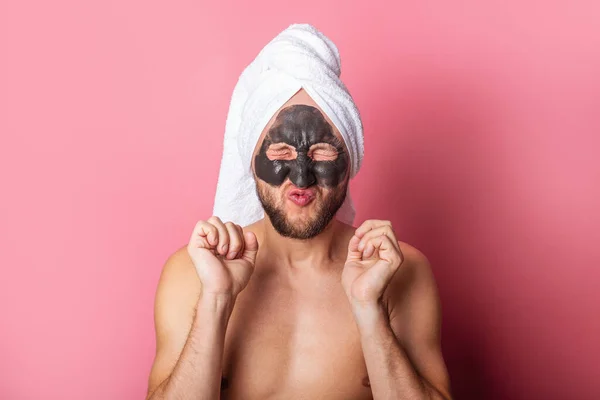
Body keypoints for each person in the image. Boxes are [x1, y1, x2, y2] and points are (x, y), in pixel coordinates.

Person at [146, 24, 452, 400]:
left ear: (350, 160)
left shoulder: (402, 271)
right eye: (280, 154)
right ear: (251, 162)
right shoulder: (192, 275)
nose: (302, 178)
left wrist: (369, 310)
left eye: (322, 152)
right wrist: (216, 300)